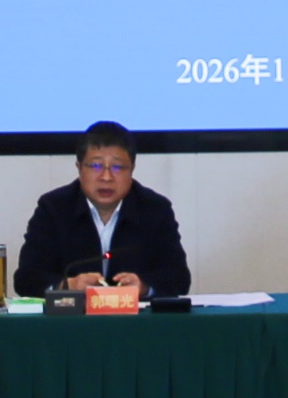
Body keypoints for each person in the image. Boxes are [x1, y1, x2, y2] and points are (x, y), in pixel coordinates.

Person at [15, 123, 192, 301]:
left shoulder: (155, 209)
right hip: (73, 317)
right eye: (95, 166)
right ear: (79, 168)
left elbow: (179, 278)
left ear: (132, 169)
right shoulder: (53, 208)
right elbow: (25, 279)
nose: (106, 177)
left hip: (135, 317)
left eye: (117, 167)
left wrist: (144, 287)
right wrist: (67, 286)